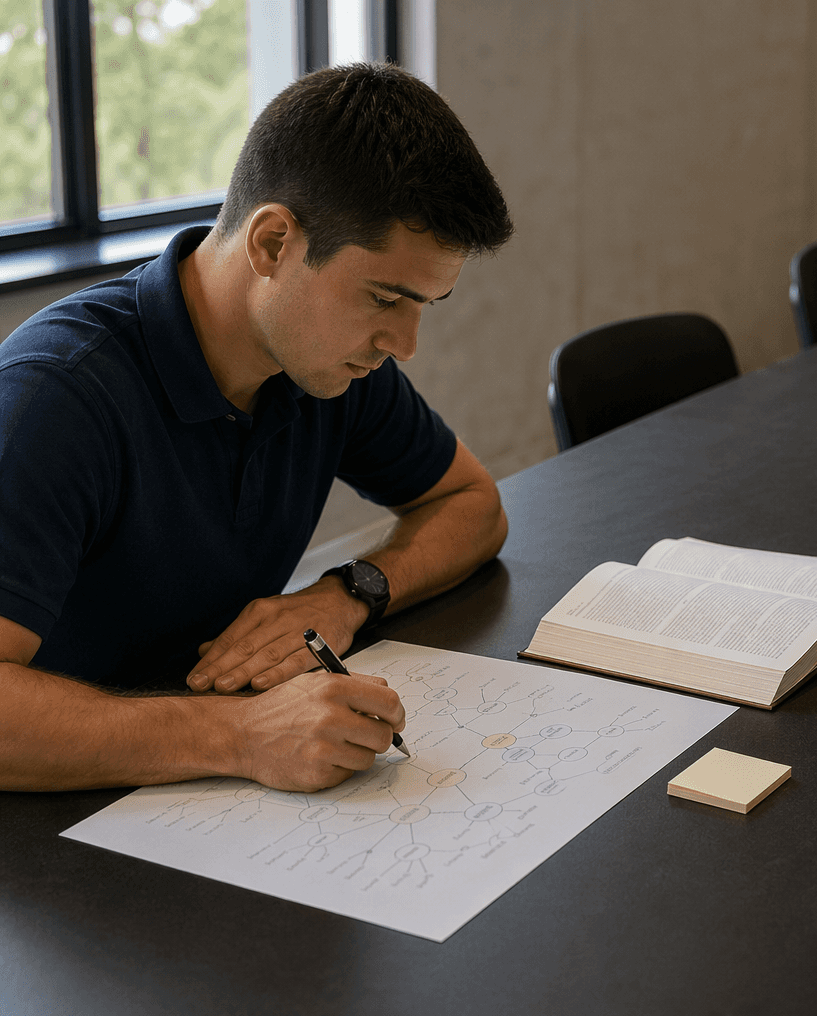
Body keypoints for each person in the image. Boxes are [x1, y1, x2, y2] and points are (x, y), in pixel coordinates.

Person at [0, 64, 513, 793]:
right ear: (273, 243)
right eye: (384, 298)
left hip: (205, 806)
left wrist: (345, 594)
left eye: (426, 304)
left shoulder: (323, 366)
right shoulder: (55, 397)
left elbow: (472, 504)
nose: (405, 343)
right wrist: (242, 738)